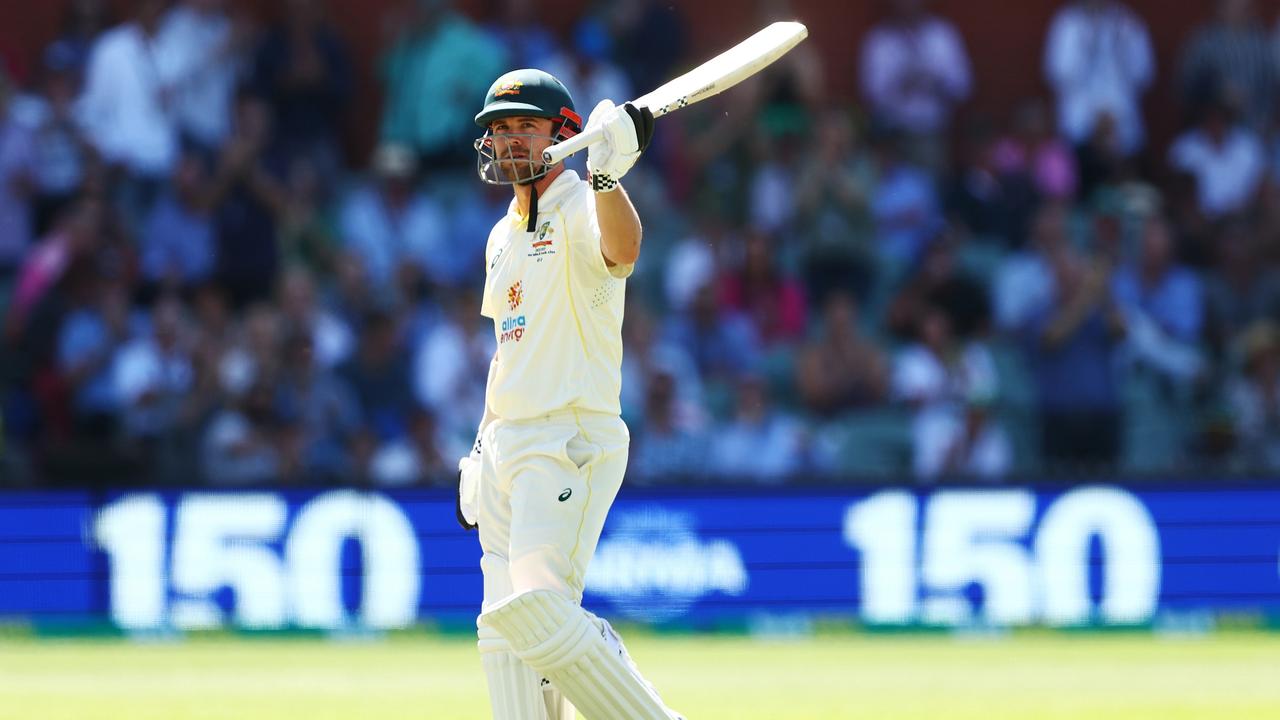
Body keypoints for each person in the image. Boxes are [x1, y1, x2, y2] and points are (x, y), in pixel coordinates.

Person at [457, 68, 682, 720]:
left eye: (523, 128)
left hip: (566, 440)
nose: (507, 143)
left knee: (537, 607)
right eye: (498, 131)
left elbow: (623, 248)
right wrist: (480, 447)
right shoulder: (503, 234)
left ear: (566, 133)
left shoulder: (583, 203)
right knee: (503, 628)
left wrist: (609, 177)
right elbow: (511, 349)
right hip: (506, 444)